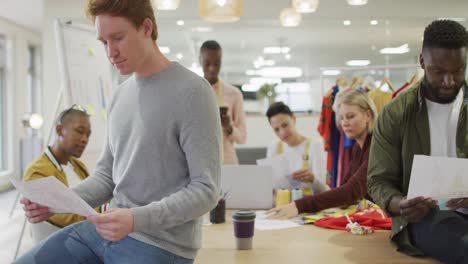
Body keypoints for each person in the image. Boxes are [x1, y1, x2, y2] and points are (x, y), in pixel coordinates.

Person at [16, 0, 221, 263]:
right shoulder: (120, 95)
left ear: (146, 28)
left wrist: (135, 219)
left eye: (118, 38)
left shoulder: (193, 93)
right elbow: (106, 176)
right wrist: (58, 202)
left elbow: (205, 190)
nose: (110, 52)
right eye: (103, 42)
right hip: (102, 232)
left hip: (161, 244)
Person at [367, 19, 468, 263]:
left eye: (458, 70)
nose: (449, 81)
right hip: (427, 217)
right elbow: (378, 181)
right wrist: (401, 204)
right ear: (422, 61)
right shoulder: (396, 113)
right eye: (438, 72)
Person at [267, 89, 377, 219]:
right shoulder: (357, 148)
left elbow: (351, 191)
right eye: (341, 118)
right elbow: (345, 189)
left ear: (368, 115)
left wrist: (299, 205)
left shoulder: (375, 147)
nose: (344, 123)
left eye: (350, 116)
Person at [23, 105, 99, 228]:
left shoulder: (78, 165)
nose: (85, 139)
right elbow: (61, 217)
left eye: (88, 134)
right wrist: (103, 211)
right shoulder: (37, 172)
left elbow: (92, 196)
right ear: (59, 130)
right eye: (80, 131)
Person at [199, 40, 247, 164]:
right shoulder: (191, 92)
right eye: (207, 63)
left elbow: (242, 138)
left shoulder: (234, 94)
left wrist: (229, 127)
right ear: (200, 60)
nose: (212, 68)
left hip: (228, 163)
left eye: (217, 63)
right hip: (200, 163)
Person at [265, 101, 328, 194]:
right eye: (276, 129)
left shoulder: (314, 146)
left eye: (285, 125)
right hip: (283, 204)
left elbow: (323, 190)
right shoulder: (273, 148)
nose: (282, 132)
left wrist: (313, 179)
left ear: (294, 119)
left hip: (308, 205)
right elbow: (269, 185)